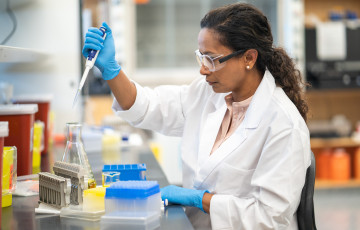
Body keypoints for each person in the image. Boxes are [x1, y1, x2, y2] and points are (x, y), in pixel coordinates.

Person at [83, 3, 311, 229]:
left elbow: (269, 218)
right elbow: (148, 106)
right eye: (201, 57)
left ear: (249, 58)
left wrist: (200, 200)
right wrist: (111, 70)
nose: (203, 69)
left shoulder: (284, 125)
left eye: (211, 59)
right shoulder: (209, 93)